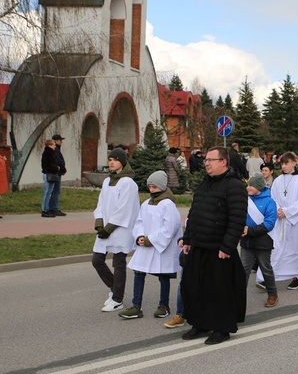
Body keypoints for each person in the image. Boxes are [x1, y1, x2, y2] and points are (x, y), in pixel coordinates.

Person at [180, 146, 247, 345]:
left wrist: (227, 247)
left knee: (219, 291)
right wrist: (188, 239)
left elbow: (237, 219)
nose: (206, 163)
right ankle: (199, 323)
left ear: (223, 162)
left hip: (219, 249)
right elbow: (194, 213)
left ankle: (222, 328)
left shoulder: (234, 186)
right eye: (206, 159)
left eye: (211, 160)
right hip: (198, 245)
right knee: (194, 287)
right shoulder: (204, 184)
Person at [118, 171, 182, 320]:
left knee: (163, 275)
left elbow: (171, 227)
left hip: (160, 247)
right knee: (138, 272)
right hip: (145, 245)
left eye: (154, 187)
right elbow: (138, 222)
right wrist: (140, 236)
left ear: (161, 186)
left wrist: (150, 240)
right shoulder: (146, 203)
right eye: (150, 187)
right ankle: (136, 306)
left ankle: (164, 305)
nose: (151, 189)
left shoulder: (168, 204)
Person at [92, 148, 140, 312]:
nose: (111, 162)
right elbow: (101, 204)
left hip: (120, 229)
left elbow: (124, 209)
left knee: (118, 263)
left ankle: (117, 299)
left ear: (122, 161)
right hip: (105, 228)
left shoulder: (128, 183)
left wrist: (109, 228)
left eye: (115, 159)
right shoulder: (107, 181)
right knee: (97, 260)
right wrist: (99, 223)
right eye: (110, 159)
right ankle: (115, 288)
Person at [262, 152, 298, 290]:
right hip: (280, 219)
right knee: (278, 248)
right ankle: (270, 277)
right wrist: (278, 210)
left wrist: (287, 211)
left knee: (295, 248)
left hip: (296, 220)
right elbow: (273, 198)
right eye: (282, 164)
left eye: (286, 163)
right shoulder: (278, 180)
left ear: (294, 163)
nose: (283, 166)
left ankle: (296, 277)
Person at [241, 173, 279, 307]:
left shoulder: (269, 202)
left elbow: (269, 223)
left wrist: (250, 231)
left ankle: (272, 294)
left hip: (263, 241)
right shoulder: (245, 199)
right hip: (246, 242)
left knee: (265, 269)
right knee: (243, 270)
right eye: (248, 184)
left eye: (251, 185)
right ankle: (239, 296)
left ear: (258, 187)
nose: (248, 187)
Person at [41, 139, 61, 218]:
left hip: (52, 174)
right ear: (49, 145)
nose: (55, 146)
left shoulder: (52, 153)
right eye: (53, 145)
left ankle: (47, 209)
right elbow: (48, 165)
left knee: (49, 193)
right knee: (46, 193)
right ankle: (44, 210)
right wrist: (56, 167)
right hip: (48, 174)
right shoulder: (47, 153)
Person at [48, 134, 67, 216]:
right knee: (55, 191)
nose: (61, 142)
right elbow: (58, 161)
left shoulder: (56, 149)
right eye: (60, 140)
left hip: (57, 172)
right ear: (56, 141)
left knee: (54, 191)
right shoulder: (55, 150)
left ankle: (53, 207)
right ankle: (54, 208)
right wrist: (63, 169)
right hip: (56, 173)